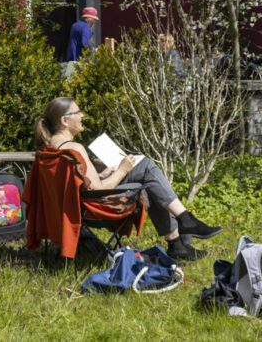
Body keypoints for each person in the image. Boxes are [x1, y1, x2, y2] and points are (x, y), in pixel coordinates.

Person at [34, 96, 221, 260]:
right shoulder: (74, 149)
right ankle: (184, 225)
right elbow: (97, 191)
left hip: (75, 206)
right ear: (65, 120)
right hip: (96, 207)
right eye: (78, 111)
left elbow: (76, 185)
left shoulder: (50, 149)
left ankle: (179, 241)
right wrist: (122, 170)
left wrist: (103, 174)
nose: (82, 115)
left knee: (149, 178)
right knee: (147, 170)